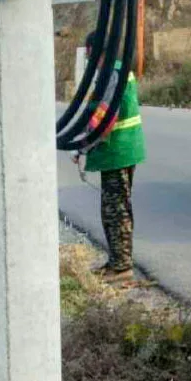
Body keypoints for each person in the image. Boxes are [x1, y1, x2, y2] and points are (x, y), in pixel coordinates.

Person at [76, 32, 147, 282]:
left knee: (116, 210)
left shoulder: (111, 74)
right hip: (119, 150)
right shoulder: (114, 70)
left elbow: (104, 118)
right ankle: (115, 262)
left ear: (98, 52)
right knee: (113, 209)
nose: (88, 59)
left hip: (118, 150)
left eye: (89, 54)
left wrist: (84, 146)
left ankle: (122, 267)